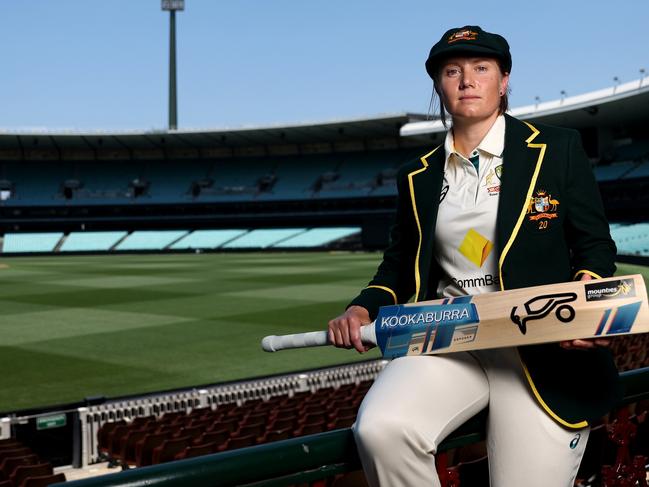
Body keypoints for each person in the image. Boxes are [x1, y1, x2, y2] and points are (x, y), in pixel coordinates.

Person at [328, 25, 620, 486]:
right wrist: (364, 305)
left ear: (503, 81)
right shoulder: (416, 176)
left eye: (481, 68)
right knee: (382, 429)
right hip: (447, 337)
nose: (467, 80)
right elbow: (399, 265)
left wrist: (585, 303)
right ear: (439, 85)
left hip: (537, 346)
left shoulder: (557, 149)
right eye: (452, 70)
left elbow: (594, 245)